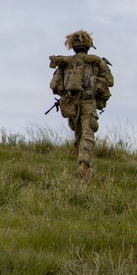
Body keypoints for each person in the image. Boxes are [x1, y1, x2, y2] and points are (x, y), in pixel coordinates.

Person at [49, 30, 114, 179]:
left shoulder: (64, 63)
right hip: (88, 101)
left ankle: (82, 167)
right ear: (88, 45)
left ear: (72, 45)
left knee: (78, 133)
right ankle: (84, 166)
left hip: (70, 102)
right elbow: (110, 81)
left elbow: (54, 85)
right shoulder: (96, 62)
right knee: (88, 131)